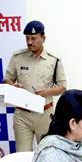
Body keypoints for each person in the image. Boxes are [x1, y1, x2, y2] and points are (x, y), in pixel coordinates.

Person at [3, 20, 67, 152]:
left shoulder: (53, 60)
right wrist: (13, 85)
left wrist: (47, 92)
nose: (29, 42)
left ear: (43, 38)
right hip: (22, 115)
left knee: (47, 154)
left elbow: (62, 86)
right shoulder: (17, 57)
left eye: (33, 38)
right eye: (27, 38)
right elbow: (7, 79)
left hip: (44, 114)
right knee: (22, 155)